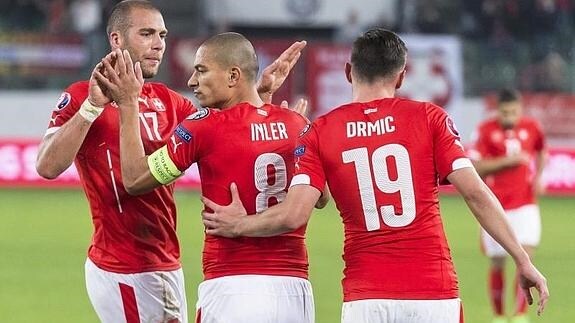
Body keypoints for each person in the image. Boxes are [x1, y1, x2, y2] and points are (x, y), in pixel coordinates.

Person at [200, 28, 550, 323]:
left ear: (349, 71)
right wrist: (522, 258)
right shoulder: (430, 118)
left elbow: (294, 214)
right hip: (433, 292)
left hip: (365, 298)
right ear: (401, 76)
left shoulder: (321, 131)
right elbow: (475, 194)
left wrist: (238, 225)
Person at [35, 0, 305, 322]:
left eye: (162, 35)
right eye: (146, 34)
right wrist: (92, 108)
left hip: (165, 260)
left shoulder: (168, 101)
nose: (158, 44)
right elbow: (47, 166)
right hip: (126, 264)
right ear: (116, 40)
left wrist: (258, 94)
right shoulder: (83, 95)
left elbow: (227, 129)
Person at [94, 32, 322, 323]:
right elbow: (321, 197)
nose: (192, 81)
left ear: (233, 75)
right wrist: (267, 104)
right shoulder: (297, 123)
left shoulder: (204, 127)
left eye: (201, 70)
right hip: (295, 291)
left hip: (231, 287)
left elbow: (136, 179)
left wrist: (128, 103)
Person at [469, 88, 547, 323]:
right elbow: (477, 167)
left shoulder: (532, 127)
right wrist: (509, 161)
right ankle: (499, 315)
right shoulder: (484, 131)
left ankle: (520, 315)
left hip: (525, 204)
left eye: (513, 111)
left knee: (527, 257)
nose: (509, 116)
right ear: (497, 110)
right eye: (504, 112)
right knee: (498, 262)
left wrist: (539, 176)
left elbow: (542, 149)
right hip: (496, 206)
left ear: (520, 109)